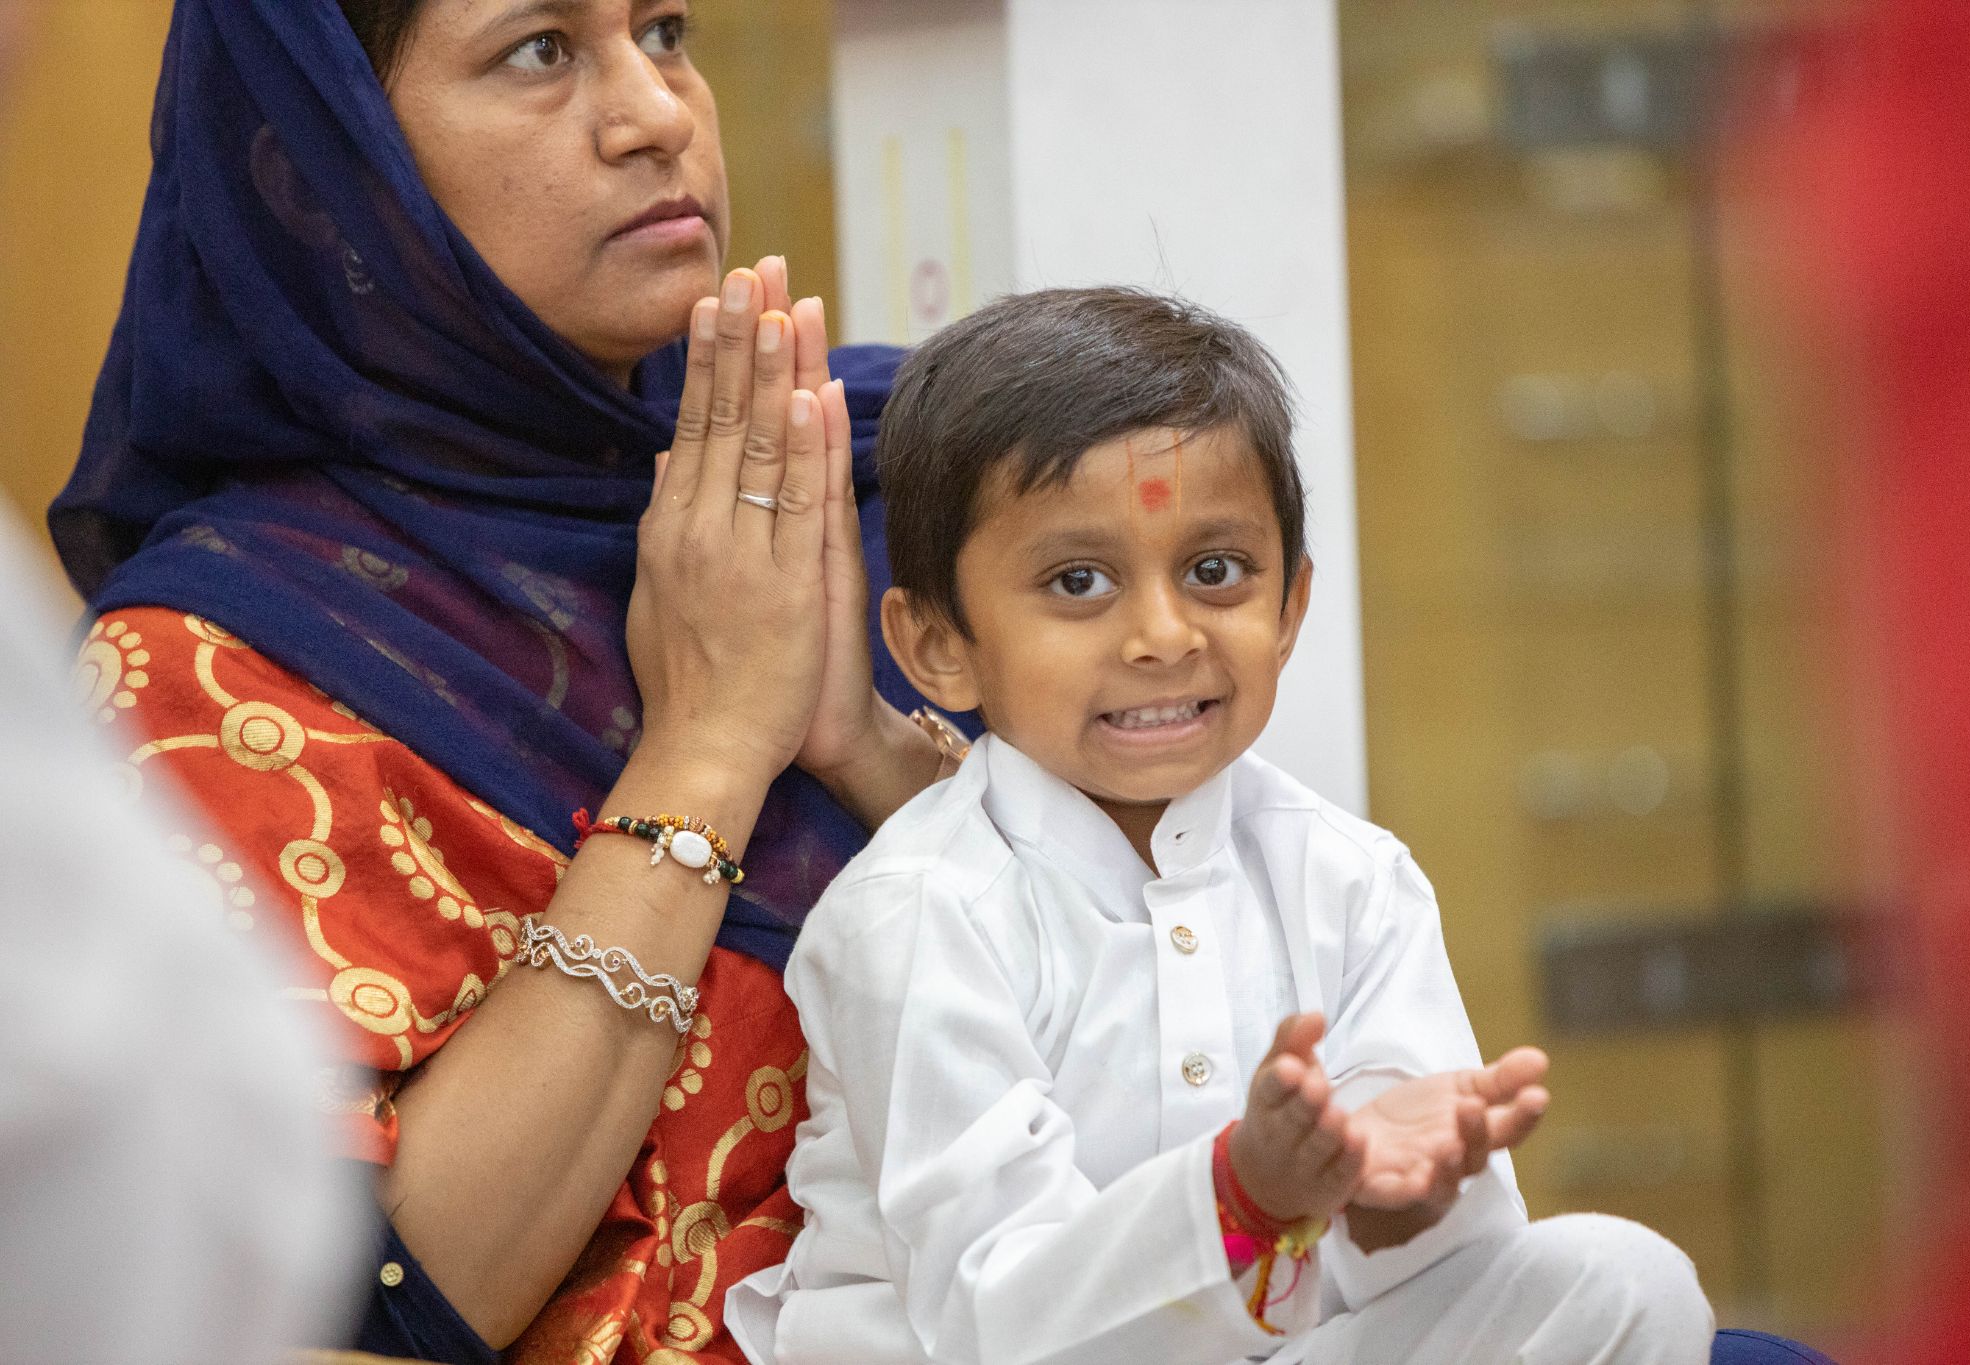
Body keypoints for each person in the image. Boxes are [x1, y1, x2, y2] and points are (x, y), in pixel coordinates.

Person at [49, 2, 957, 1360]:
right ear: (326, 166)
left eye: (663, 27)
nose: (656, 110)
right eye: (538, 50)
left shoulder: (893, 483)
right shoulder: (217, 666)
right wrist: (706, 748)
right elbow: (379, 1305)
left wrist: (877, 752)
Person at [727, 287, 1718, 1364]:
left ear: (1288, 608)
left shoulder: (1350, 879)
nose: (1163, 635)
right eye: (1078, 580)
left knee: (1625, 1285)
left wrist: (1385, 1204)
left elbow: (1418, 1272)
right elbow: (991, 1316)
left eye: (1213, 572)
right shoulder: (917, 914)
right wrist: (1238, 1195)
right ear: (935, 647)